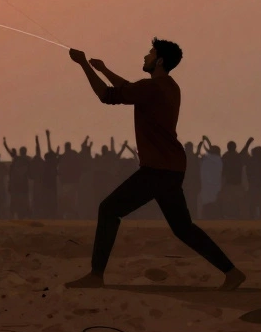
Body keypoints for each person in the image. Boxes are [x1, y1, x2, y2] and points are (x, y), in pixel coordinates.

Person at [64, 39, 244, 291]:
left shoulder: (153, 87)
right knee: (183, 228)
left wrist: (83, 64)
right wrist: (103, 69)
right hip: (172, 168)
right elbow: (130, 88)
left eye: (150, 53)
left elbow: (107, 95)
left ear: (159, 60)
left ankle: (96, 275)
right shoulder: (168, 86)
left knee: (108, 210)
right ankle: (232, 273)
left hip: (157, 169)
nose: (146, 56)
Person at [2, 138, 32, 219]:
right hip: (20, 184)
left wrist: (5, 144)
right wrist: (5, 144)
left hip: (19, 184)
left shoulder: (19, 159)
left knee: (19, 200)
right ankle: (21, 214)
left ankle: (19, 214)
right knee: (21, 200)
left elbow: (10, 153)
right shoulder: (27, 159)